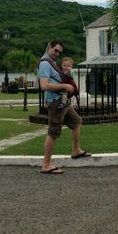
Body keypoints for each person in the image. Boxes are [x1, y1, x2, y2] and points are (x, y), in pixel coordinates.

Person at [38, 40, 90, 174]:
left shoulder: (53, 63)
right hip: (55, 103)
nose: (57, 54)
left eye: (59, 52)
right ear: (49, 47)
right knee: (53, 132)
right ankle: (46, 164)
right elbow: (44, 86)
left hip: (63, 102)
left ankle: (76, 150)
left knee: (77, 121)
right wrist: (65, 86)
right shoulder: (45, 64)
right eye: (55, 50)